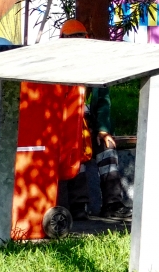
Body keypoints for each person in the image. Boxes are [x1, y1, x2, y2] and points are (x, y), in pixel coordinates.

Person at [58, 20, 129, 221]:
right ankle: (79, 206)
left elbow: (102, 102)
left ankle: (113, 204)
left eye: (79, 38)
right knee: (76, 153)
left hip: (89, 125)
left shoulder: (95, 67)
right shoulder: (55, 66)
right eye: (72, 39)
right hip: (67, 126)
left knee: (108, 151)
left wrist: (103, 130)